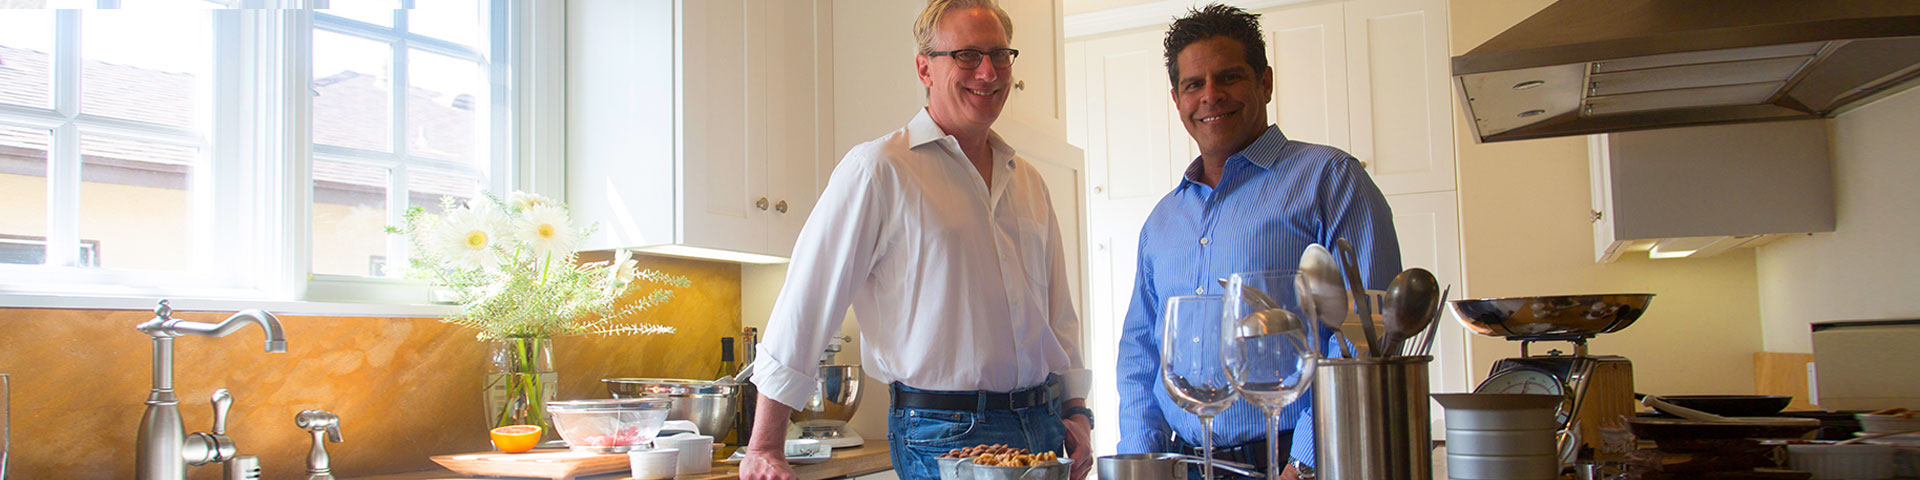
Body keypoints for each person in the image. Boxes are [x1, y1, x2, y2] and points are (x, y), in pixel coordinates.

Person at [738, 1, 1094, 479]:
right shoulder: (878, 169)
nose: (987, 72)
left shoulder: (1028, 179)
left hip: (1045, 428)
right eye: (966, 55)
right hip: (944, 433)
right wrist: (764, 445)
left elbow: (1058, 312)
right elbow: (807, 300)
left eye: (999, 55)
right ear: (924, 67)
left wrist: (1078, 411)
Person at [1114, 4, 1401, 480]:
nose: (1210, 96)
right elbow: (1141, 351)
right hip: (1182, 463)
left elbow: (1363, 335)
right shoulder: (1162, 220)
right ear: (1177, 98)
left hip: (1298, 462)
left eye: (1228, 78)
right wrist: (1141, 462)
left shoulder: (1329, 179)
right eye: (1193, 84)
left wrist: (1306, 462)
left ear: (1265, 83)